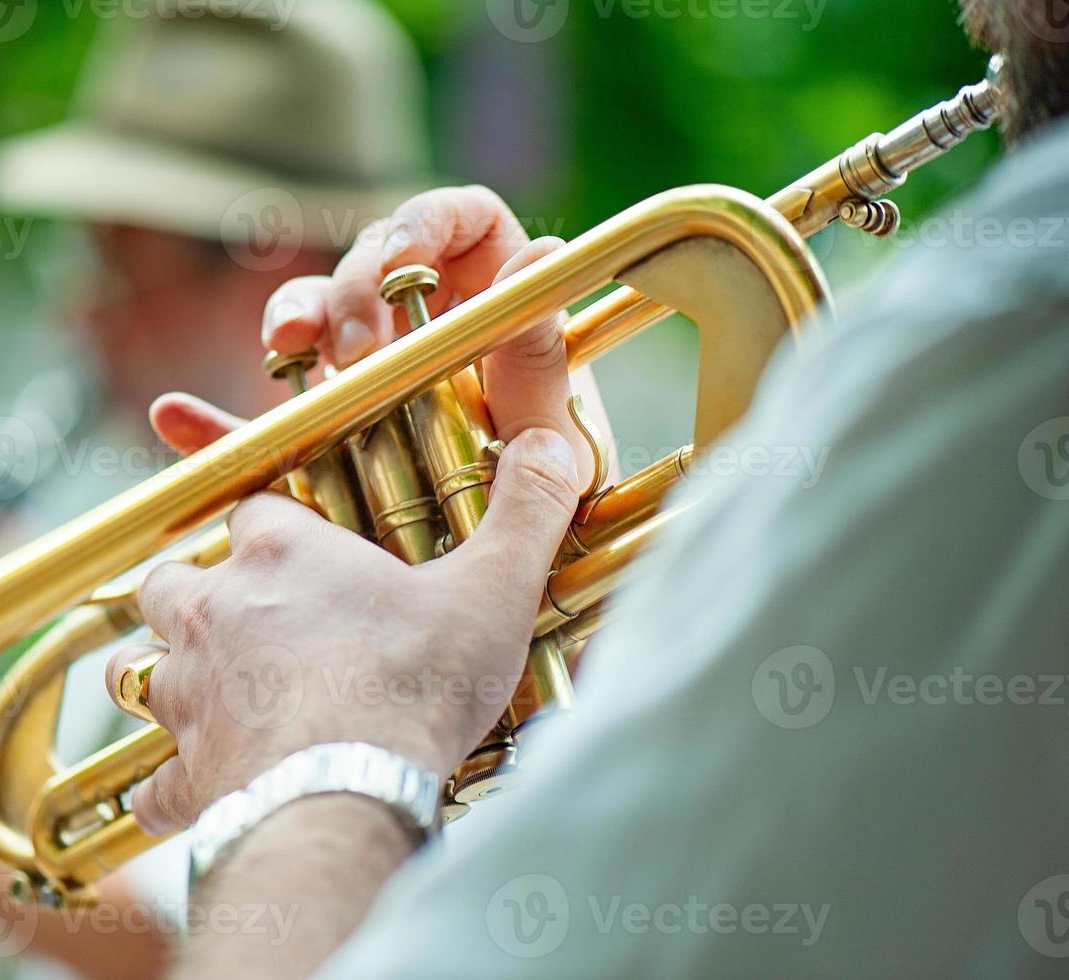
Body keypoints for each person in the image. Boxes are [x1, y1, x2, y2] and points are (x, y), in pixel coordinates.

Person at [101, 3, 1069, 977]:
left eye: (115, 258)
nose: (972, 11)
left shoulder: (1022, 317)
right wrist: (533, 636)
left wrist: (317, 759)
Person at [0, 2, 440, 977]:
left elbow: (153, 936)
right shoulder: (177, 512)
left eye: (121, 261)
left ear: (272, 257)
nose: (83, 309)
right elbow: (28, 900)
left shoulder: (371, 545)